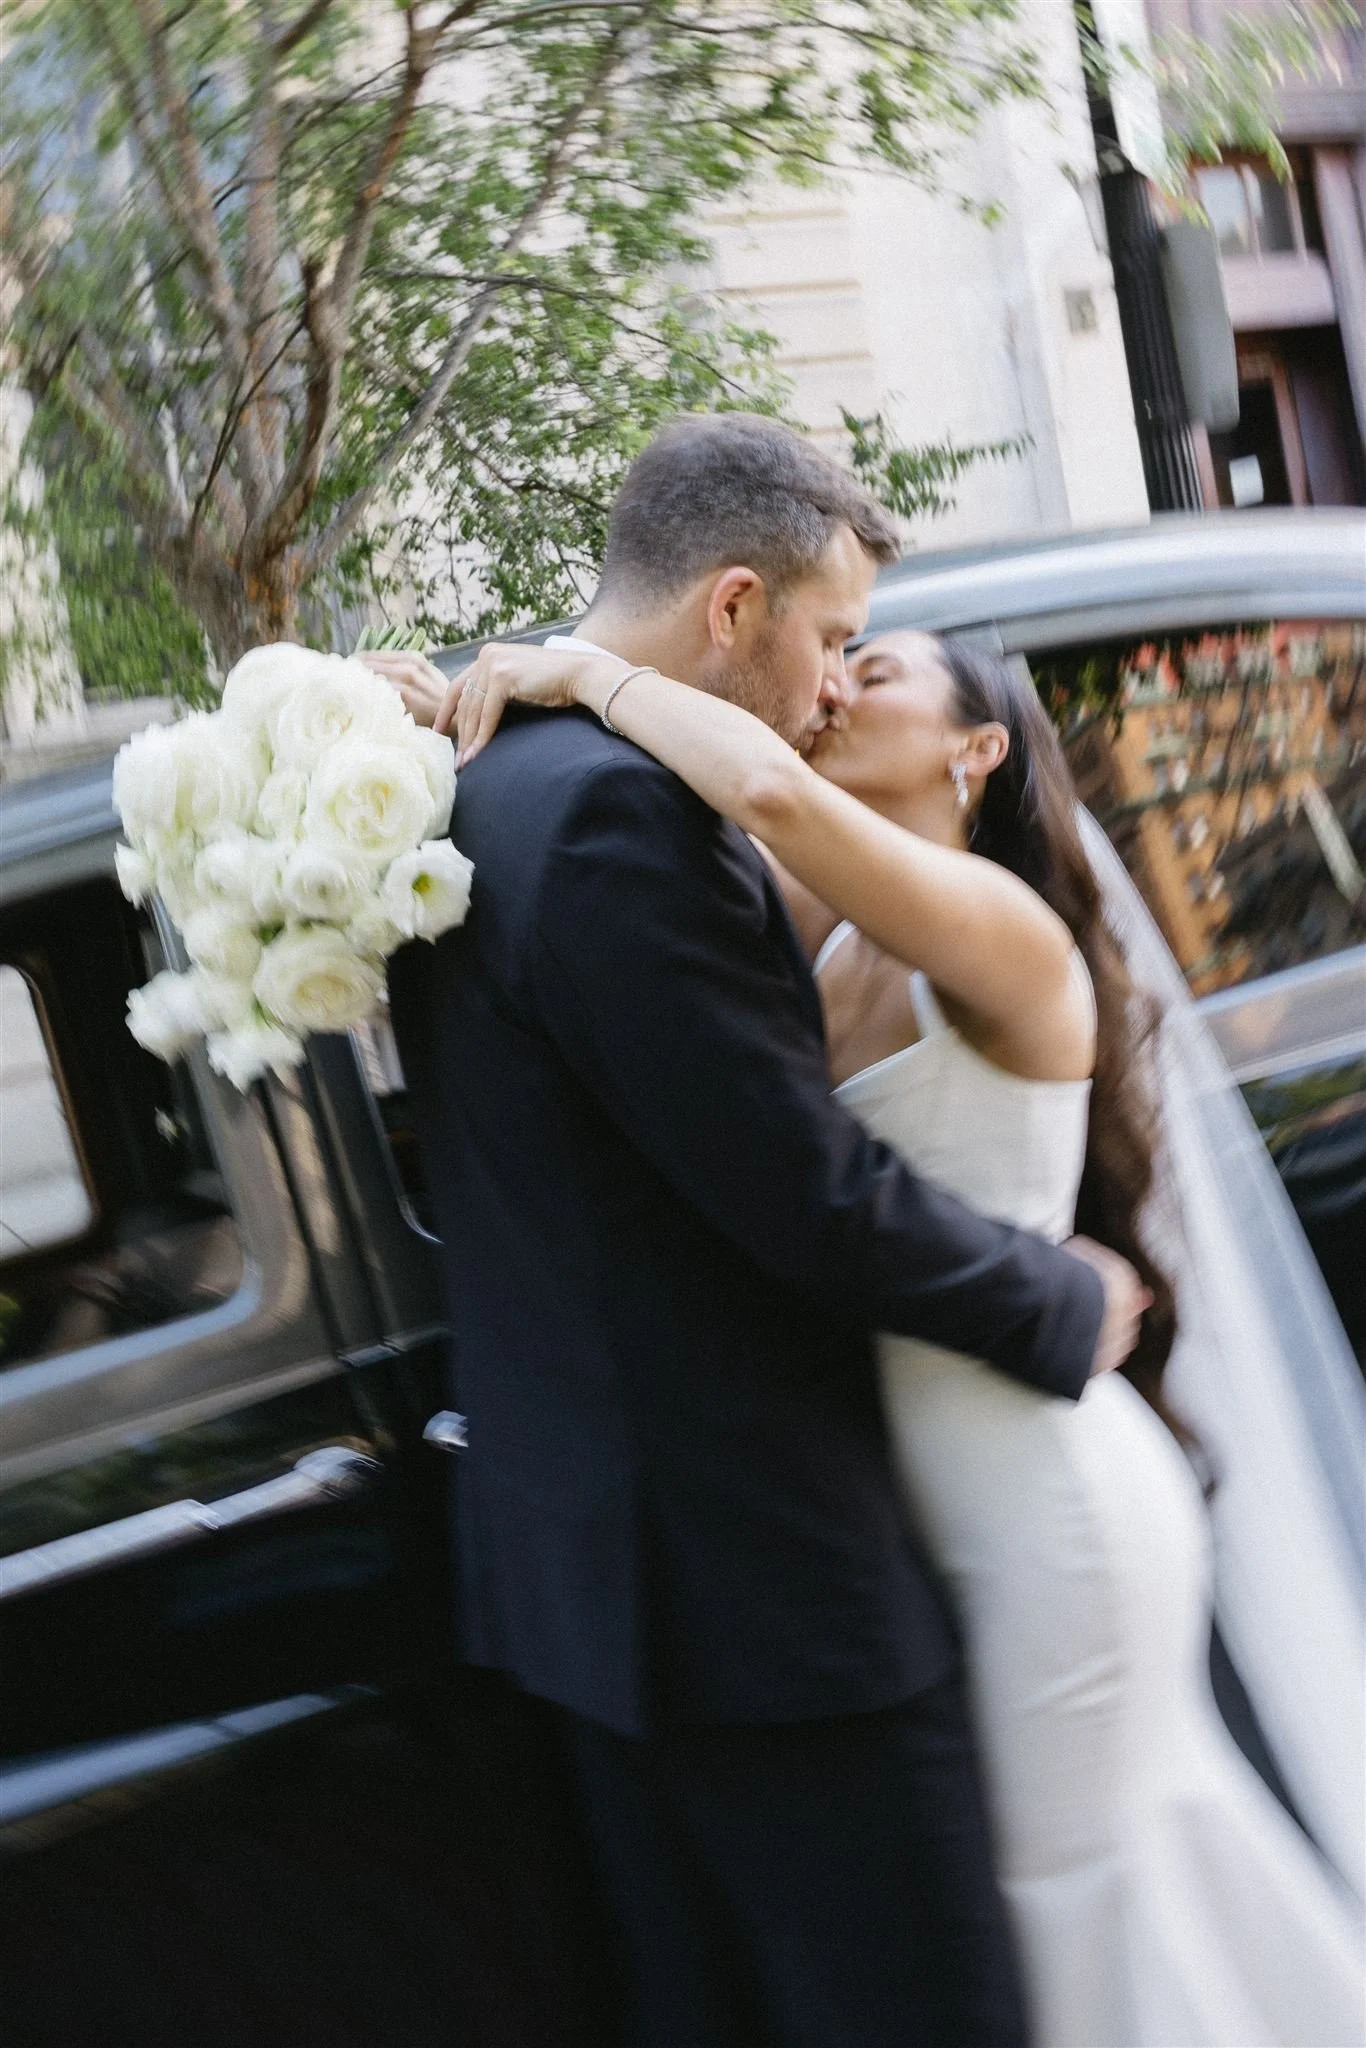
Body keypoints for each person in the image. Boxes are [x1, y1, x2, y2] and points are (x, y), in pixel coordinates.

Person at [423, 616, 1366, 2047]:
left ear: (974, 749)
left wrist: (583, 669)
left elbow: (769, 792)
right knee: (1020, 1895)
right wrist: (440, 718)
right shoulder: (824, 934)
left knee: (1066, 1890)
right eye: (835, 658)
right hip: (913, 1503)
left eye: (878, 672)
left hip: (1039, 1496)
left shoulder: (992, 926)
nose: (835, 685)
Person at [364, 413, 1147, 2048]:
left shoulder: (484, 779)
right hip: (759, 1590)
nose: (828, 691)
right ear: (733, 605)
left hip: (611, 1580)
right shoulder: (614, 816)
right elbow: (799, 1192)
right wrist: (1056, 1301)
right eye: (830, 638)